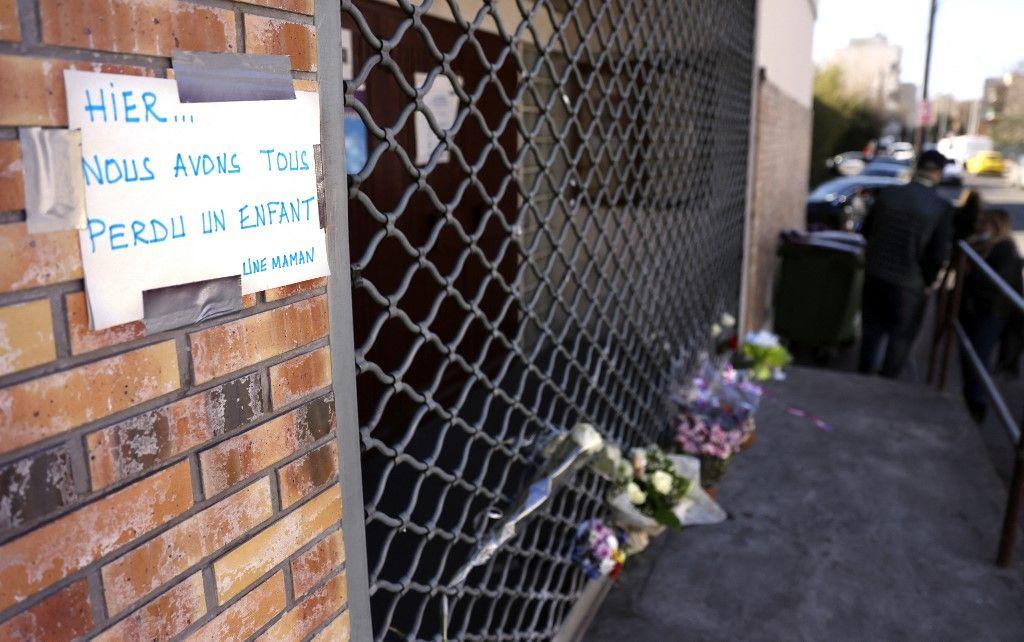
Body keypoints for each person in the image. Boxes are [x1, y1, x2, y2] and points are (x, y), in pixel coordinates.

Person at [858, 150, 953, 378]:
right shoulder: (940, 207)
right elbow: (937, 252)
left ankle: (862, 375)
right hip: (909, 282)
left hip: (876, 273)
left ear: (917, 167)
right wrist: (929, 281)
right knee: (901, 336)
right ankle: (887, 381)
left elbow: (866, 230)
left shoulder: (889, 194)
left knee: (871, 329)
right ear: (938, 173)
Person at [959, 209, 1023, 422]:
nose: (980, 227)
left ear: (996, 226)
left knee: (978, 357)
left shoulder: (1005, 250)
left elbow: (994, 285)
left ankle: (976, 403)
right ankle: (971, 399)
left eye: (984, 223)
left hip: (990, 314)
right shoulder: (983, 244)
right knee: (970, 356)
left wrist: (971, 272)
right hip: (975, 311)